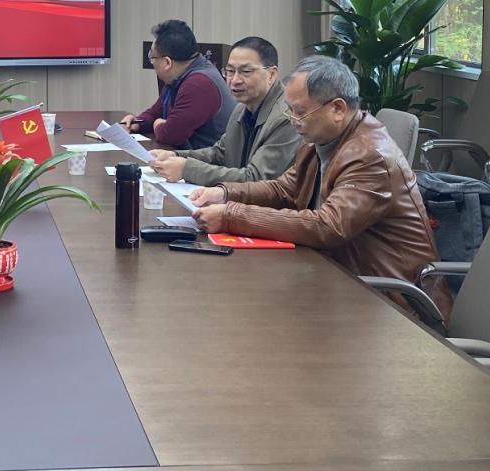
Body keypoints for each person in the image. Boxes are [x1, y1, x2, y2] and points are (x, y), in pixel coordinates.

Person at [189, 56, 451, 316]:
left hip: (391, 304)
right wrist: (224, 193)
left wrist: (231, 216)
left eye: (300, 112)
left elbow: (329, 226)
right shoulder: (321, 140)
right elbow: (284, 190)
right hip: (340, 278)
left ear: (337, 109)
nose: (293, 120)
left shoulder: (369, 156)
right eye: (290, 110)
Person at [149, 36, 300, 184]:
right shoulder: (241, 108)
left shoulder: (286, 117)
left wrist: (186, 170)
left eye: (246, 71)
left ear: (271, 74)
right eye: (230, 71)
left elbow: (256, 178)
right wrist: (175, 156)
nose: (235, 80)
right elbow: (220, 153)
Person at [121, 20, 235, 149]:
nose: (152, 62)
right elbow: (156, 112)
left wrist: (158, 124)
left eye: (152, 57)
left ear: (167, 62)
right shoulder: (179, 76)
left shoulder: (199, 83)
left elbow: (171, 135)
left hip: (205, 159)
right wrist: (137, 122)